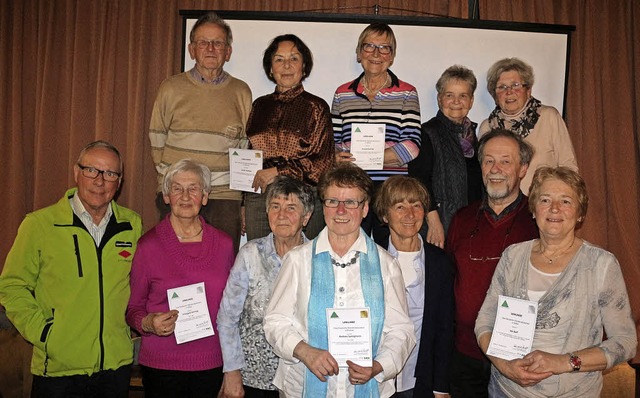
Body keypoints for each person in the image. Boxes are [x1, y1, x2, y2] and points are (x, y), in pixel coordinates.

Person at [475, 166, 637, 397]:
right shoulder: (513, 256)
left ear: (580, 214)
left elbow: (626, 341)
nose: (554, 208)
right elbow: (485, 320)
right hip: (506, 390)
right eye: (545, 200)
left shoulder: (601, 264)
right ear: (533, 209)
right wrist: (503, 365)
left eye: (566, 201)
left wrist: (563, 362)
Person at [0, 140, 142, 397]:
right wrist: (45, 334)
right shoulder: (40, 224)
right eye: (92, 170)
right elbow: (11, 286)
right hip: (57, 370)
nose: (100, 181)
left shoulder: (132, 225)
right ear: (77, 172)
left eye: (110, 173)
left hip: (115, 367)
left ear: (118, 182)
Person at [263, 163, 415, 397]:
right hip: (302, 385)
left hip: (369, 387)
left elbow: (401, 331)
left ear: (365, 209)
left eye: (351, 202)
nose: (341, 210)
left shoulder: (387, 265)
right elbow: (274, 322)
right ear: (323, 207)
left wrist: (378, 366)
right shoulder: (297, 260)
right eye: (333, 201)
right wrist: (305, 351)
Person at [126, 159, 234, 397]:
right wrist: (148, 323)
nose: (185, 196)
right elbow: (133, 308)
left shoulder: (225, 245)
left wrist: (234, 366)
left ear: (205, 196)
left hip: (212, 362)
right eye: (177, 188)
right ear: (166, 196)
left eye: (193, 188)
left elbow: (233, 311)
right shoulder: (148, 246)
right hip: (161, 365)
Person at [148, 12, 252, 252]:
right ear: (192, 49)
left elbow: (245, 146)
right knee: (174, 263)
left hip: (225, 195)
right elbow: (156, 138)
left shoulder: (241, 92)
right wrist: (172, 183)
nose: (211, 48)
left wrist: (243, 200)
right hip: (179, 193)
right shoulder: (171, 88)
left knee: (222, 264)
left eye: (218, 43)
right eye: (203, 42)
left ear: (228, 51)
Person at [447, 129, 539, 397]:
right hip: (466, 356)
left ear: (523, 169)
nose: (495, 169)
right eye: (488, 160)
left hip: (519, 359)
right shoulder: (462, 218)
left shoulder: (537, 222)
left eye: (505, 161)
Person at [218, 176, 315, 398]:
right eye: (275, 207)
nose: (282, 215)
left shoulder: (317, 258)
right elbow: (227, 317)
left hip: (300, 376)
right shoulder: (250, 254)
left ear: (306, 217)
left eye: (291, 208)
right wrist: (231, 371)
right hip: (252, 376)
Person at [332, 23, 421, 245]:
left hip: (390, 189)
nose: (376, 54)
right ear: (359, 52)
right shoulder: (342, 94)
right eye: (369, 46)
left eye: (384, 48)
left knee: (387, 251)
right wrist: (337, 156)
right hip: (352, 187)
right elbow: (335, 142)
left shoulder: (407, 92)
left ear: (392, 56)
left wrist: (373, 158)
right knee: (350, 246)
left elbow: (412, 145)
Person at [243, 34, 334, 241]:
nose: (287, 65)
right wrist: (243, 203)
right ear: (270, 68)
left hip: (303, 197)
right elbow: (248, 156)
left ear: (304, 67)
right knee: (261, 261)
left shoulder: (316, 107)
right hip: (259, 197)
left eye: (294, 58)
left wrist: (277, 171)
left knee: (302, 266)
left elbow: (322, 164)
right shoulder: (259, 106)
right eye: (279, 59)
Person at [373, 176, 454, 398]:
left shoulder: (440, 261)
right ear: (384, 215)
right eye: (400, 207)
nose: (410, 214)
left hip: (419, 374)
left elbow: (445, 328)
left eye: (416, 205)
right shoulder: (370, 258)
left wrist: (441, 386)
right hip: (376, 376)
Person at [409, 65, 483, 248]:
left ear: (471, 100)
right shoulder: (428, 132)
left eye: (463, 95)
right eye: (449, 95)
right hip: (441, 225)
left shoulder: (476, 136)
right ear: (439, 98)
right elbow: (419, 181)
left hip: (470, 224)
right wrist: (434, 222)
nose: (456, 101)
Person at [479, 57, 578, 192]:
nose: (509, 92)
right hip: (504, 208)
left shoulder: (549, 117)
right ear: (495, 95)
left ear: (528, 90)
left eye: (516, 85)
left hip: (543, 206)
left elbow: (569, 166)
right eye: (502, 87)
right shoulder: (488, 127)